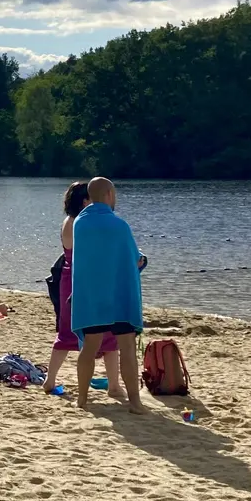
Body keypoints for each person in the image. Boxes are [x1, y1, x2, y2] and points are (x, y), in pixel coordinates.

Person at [70, 177, 147, 414]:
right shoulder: (119, 225)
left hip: (91, 295)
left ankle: (82, 398)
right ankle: (134, 401)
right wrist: (141, 260)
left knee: (90, 347)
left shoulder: (79, 224)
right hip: (119, 294)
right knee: (127, 347)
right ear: (110, 195)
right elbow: (132, 258)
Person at [45, 182, 123, 399]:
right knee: (107, 335)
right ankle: (114, 385)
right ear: (85, 201)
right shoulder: (80, 222)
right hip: (83, 282)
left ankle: (50, 380)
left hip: (70, 280)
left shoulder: (69, 221)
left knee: (67, 334)